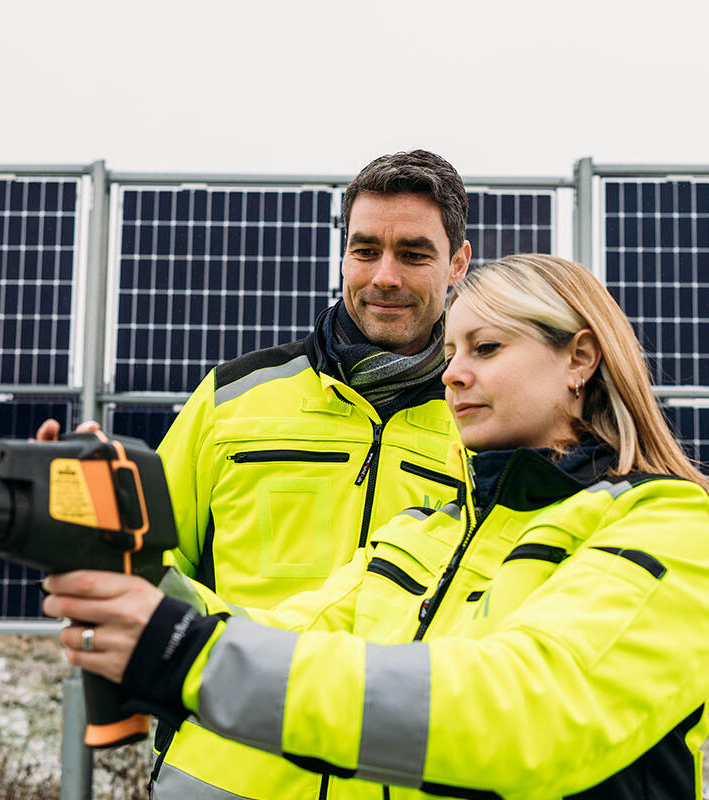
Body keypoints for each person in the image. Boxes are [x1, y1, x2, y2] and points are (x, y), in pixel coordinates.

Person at [42, 254, 709, 799]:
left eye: (486, 348)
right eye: (452, 352)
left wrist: (188, 652)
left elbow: (522, 709)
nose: (452, 375)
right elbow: (284, 638)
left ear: (579, 359)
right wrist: (128, 570)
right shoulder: (425, 533)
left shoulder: (661, 525)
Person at [38, 150, 474, 796]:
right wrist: (82, 519)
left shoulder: (484, 426)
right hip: (221, 775)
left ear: (458, 263)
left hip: (403, 778)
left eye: (413, 254)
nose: (384, 276)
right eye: (365, 250)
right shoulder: (233, 399)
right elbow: (145, 563)